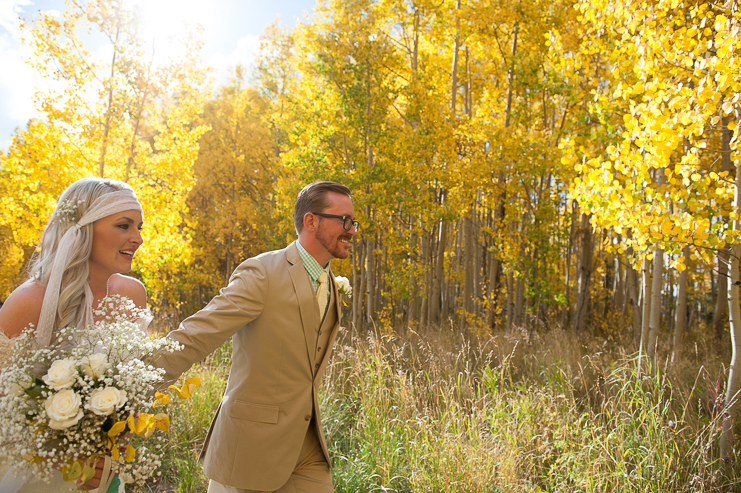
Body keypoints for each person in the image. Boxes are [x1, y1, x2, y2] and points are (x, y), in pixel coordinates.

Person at [155, 181, 358, 493]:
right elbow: (198, 334)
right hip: (250, 446)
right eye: (344, 220)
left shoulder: (330, 280)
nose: (352, 230)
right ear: (311, 221)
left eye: (353, 222)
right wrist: (134, 383)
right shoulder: (263, 273)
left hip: (307, 448)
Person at [0, 177, 147, 492]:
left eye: (139, 227)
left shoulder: (133, 294)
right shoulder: (29, 301)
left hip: (104, 472)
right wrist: (61, 453)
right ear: (81, 230)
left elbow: (131, 390)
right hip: (37, 473)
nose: (137, 238)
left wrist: (114, 445)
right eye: (124, 225)